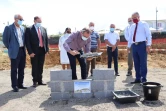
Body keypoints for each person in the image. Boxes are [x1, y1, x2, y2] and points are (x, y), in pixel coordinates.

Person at [3, 14, 27, 92]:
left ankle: (20, 84)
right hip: (14, 51)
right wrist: (10, 48)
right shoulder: (9, 28)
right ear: (15, 19)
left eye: (22, 19)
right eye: (20, 19)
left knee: (21, 68)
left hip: (22, 50)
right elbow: (5, 40)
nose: (21, 21)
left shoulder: (23, 28)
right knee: (14, 69)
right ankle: (14, 85)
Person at [128, 12, 152, 83]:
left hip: (142, 45)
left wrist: (148, 45)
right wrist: (128, 46)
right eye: (132, 18)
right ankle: (137, 78)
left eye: (135, 18)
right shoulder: (132, 26)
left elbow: (148, 35)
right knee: (136, 62)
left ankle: (143, 79)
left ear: (139, 17)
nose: (133, 19)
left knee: (143, 62)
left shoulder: (144, 24)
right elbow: (130, 37)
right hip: (134, 45)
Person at [25, 16, 49, 87]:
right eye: (38, 22)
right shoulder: (29, 29)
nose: (40, 23)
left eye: (40, 22)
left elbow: (46, 40)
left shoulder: (43, 29)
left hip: (42, 50)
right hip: (34, 51)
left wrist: (47, 50)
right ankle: (35, 81)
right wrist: (30, 52)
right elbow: (27, 42)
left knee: (41, 65)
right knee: (35, 65)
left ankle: (40, 80)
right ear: (34, 21)